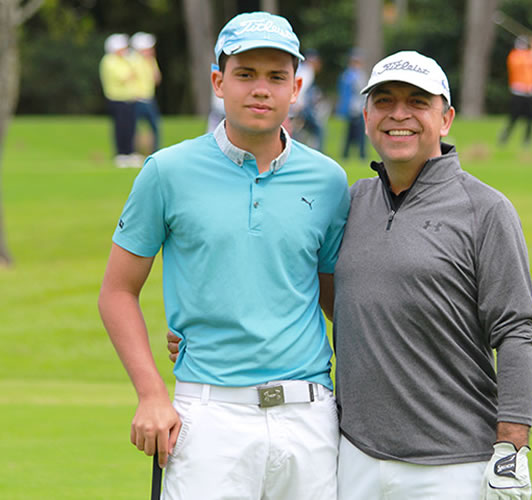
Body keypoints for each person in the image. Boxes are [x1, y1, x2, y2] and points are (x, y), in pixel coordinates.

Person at [168, 51, 532, 500]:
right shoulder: (351, 202)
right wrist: (210, 327)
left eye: (418, 102)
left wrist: (511, 445)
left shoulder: (485, 209)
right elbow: (308, 289)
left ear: (445, 119)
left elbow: (515, 330)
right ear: (366, 117)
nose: (399, 115)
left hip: (454, 461)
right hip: (355, 457)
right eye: (384, 102)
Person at [98, 11, 349, 500]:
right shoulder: (166, 172)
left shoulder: (329, 181)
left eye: (277, 77)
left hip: (310, 414)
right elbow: (117, 292)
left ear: (295, 87)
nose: (261, 89)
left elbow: (339, 301)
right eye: (245, 74)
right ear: (219, 81)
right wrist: (151, 394)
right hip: (208, 413)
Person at [498, 35, 532, 148]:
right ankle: (505, 137)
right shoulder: (514, 56)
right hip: (518, 91)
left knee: (531, 118)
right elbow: (526, 61)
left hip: (531, 92)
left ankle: (527, 140)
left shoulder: (529, 55)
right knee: (514, 117)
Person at [99, 33, 141, 167]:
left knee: (131, 127)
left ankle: (130, 152)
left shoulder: (123, 60)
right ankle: (121, 154)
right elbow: (125, 77)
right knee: (121, 127)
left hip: (129, 99)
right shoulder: (109, 61)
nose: (125, 50)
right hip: (117, 100)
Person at [130, 31, 162, 153]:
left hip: (149, 98)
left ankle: (155, 150)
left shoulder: (151, 61)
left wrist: (151, 63)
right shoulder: (132, 60)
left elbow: (157, 79)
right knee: (133, 128)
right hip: (136, 99)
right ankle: (134, 152)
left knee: (155, 126)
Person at [290, 48, 326, 151]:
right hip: (300, 106)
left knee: (299, 130)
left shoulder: (301, 68)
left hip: (295, 105)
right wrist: (297, 105)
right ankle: (319, 151)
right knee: (318, 129)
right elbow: (301, 88)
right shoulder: (308, 71)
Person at [336, 49, 367, 159]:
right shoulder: (353, 75)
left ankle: (347, 154)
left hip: (353, 107)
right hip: (355, 107)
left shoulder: (347, 75)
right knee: (358, 133)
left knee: (352, 133)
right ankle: (360, 154)